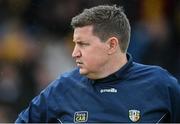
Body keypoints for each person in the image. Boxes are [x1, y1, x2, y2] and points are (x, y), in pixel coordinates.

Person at [15, 5, 180, 123]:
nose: (74, 53)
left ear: (111, 45)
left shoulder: (160, 84)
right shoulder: (62, 87)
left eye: (83, 44)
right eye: (75, 44)